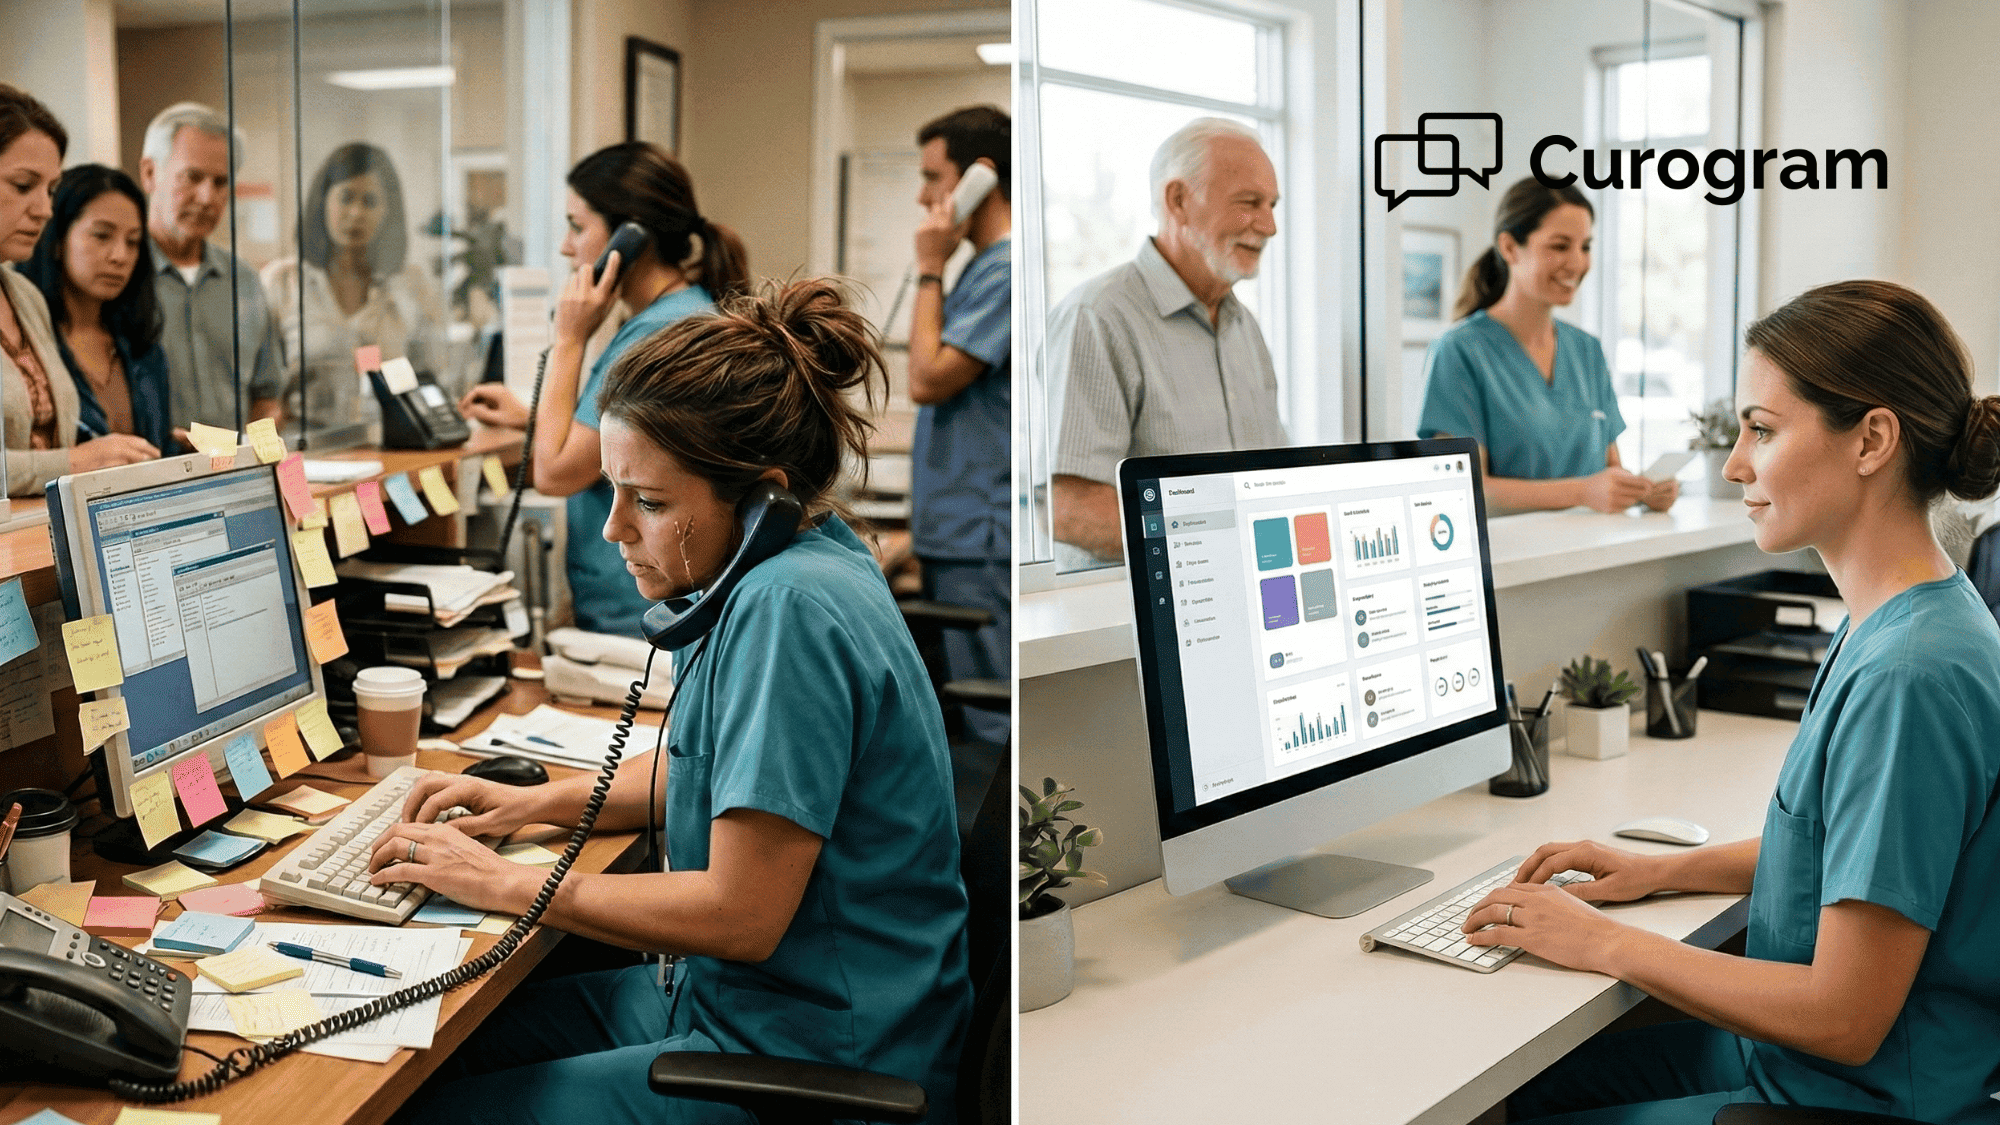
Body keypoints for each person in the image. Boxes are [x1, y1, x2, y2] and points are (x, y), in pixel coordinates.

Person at [365, 279, 971, 1124]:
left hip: (814, 1054)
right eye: (614, 492)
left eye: (648, 502)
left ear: (761, 497)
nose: (615, 528)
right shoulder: (794, 558)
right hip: (728, 1001)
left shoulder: (787, 609)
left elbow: (742, 910)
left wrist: (508, 884)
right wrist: (532, 801)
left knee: (427, 1111)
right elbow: (711, 772)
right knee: (427, 1046)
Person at [1463, 281, 2000, 1124]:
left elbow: (1846, 1017)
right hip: (1788, 1060)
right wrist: (1655, 870)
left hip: (1853, 1095)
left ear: (1872, 440)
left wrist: (1600, 939)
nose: (1733, 463)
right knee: (1524, 1094)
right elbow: (1849, 851)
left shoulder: (1912, 676)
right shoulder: (1901, 617)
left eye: (1762, 429)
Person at [458, 142, 747, 637]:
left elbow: (554, 473)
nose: (567, 247)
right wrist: (532, 419)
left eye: (577, 226)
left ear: (629, 236)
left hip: (635, 620)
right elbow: (633, 440)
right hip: (651, 610)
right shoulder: (686, 313)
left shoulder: (655, 336)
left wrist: (569, 337)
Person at [1047, 116, 1287, 563]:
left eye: (1273, 204)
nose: (1269, 225)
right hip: (1136, 614)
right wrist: (1218, 540)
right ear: (1177, 201)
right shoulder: (1097, 317)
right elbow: (1069, 509)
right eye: (1249, 202)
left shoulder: (1244, 326)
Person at [1416, 178, 1675, 514]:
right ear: (1509, 248)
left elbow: (1610, 471)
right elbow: (1461, 488)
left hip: (1595, 552)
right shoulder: (1458, 352)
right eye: (1559, 246)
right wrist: (1582, 492)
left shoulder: (1587, 352)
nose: (1577, 263)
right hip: (1514, 559)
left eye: (1585, 247)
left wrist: (1640, 491)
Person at [908, 104, 1012, 749]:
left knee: (992, 722)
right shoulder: (982, 266)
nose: (924, 197)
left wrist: (927, 267)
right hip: (959, 528)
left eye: (932, 177)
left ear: (978, 176)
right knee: (973, 717)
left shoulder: (1004, 269)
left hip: (982, 530)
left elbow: (926, 376)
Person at [0, 84, 157, 497]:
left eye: (50, 190)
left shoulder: (22, 296)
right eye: (22, 185)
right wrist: (74, 463)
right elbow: (68, 458)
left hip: (41, 542)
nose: (44, 210)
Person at [261, 142, 446, 432]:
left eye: (370, 201)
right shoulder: (282, 283)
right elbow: (259, 393)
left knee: (370, 482)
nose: (356, 213)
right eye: (346, 198)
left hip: (386, 449)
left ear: (387, 211)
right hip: (304, 454)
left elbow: (432, 380)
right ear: (323, 201)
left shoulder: (412, 287)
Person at [139, 102, 283, 431]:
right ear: (150, 174)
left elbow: (267, 397)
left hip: (235, 474)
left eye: (220, 183)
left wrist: (254, 455)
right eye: (192, 177)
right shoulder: (119, 278)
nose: (207, 198)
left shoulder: (244, 280)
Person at [20, 164, 175, 454]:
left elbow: (157, 450)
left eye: (133, 242)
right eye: (102, 236)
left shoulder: (144, 350)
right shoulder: (25, 345)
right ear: (57, 240)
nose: (120, 256)